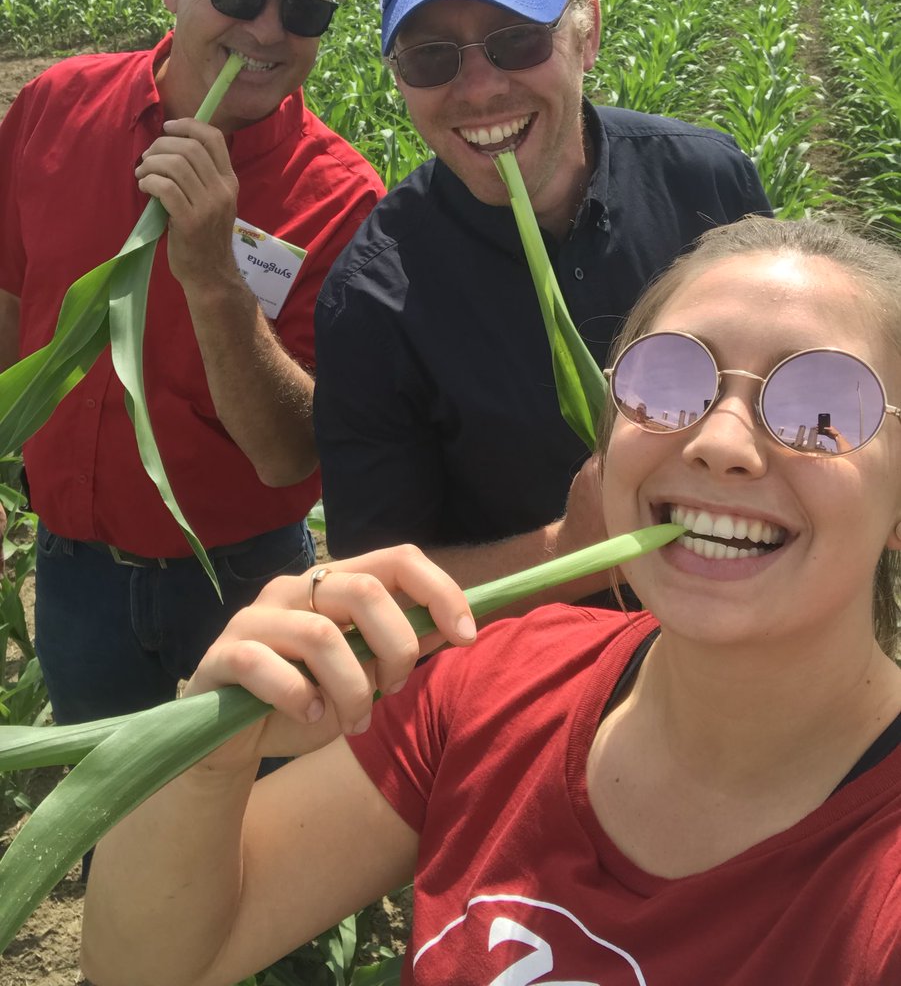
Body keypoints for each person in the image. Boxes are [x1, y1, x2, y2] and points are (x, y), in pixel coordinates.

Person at [81, 217, 901, 985]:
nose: (719, 442)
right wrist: (210, 753)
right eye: (666, 377)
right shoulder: (495, 685)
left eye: (820, 407)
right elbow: (152, 965)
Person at [0, 0, 383, 729]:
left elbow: (291, 456)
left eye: (306, 8)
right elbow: (13, 305)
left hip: (247, 583)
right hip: (74, 570)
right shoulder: (55, 108)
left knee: (251, 833)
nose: (268, 30)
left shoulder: (343, 197)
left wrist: (213, 275)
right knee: (109, 814)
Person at [313, 0, 772, 586]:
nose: (480, 87)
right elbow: (376, 585)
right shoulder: (374, 299)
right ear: (397, 78)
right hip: (532, 681)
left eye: (518, 38)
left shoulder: (707, 183)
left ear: (586, 33)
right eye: (430, 57)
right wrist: (569, 550)